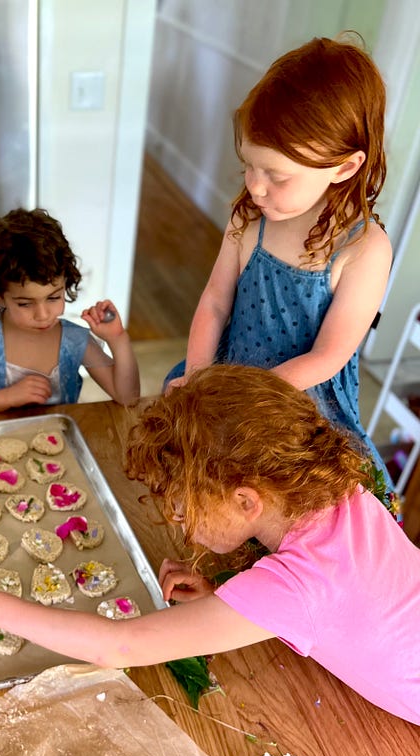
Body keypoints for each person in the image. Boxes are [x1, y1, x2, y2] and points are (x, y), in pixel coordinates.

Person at [0, 365, 420, 726]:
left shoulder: (299, 588)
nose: (180, 524)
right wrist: (227, 602)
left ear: (246, 500)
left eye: (185, 509)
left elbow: (118, 644)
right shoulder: (338, 490)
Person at [163, 35, 393, 483]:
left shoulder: (364, 249)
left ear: (344, 167)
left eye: (277, 175)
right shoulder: (250, 218)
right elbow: (214, 302)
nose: (255, 187)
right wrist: (197, 378)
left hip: (298, 406)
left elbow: (327, 357)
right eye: (249, 165)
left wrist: (244, 400)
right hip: (229, 380)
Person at [0, 207, 140, 413]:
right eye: (25, 303)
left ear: (66, 282)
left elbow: (128, 398)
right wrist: (8, 396)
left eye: (53, 297)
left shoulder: (75, 341)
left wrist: (118, 338)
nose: (43, 315)